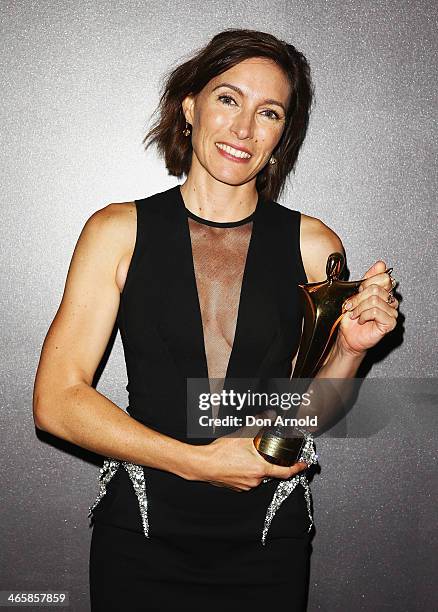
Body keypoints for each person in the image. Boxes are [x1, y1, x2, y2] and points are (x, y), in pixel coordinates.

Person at [32, 29, 399, 611]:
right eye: (228, 99)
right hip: (141, 533)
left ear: (283, 135)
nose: (244, 128)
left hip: (267, 538)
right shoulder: (117, 232)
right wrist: (201, 463)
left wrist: (351, 350)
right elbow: (56, 401)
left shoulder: (313, 246)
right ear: (189, 106)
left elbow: (305, 414)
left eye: (269, 112)